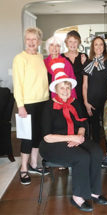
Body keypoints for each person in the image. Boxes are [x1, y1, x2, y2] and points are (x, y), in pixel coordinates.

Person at [39, 58, 107, 212]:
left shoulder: (75, 102)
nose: (65, 91)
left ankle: (94, 191)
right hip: (52, 144)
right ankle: (78, 196)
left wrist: (80, 136)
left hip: (75, 137)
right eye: (62, 87)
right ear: (56, 89)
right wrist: (72, 138)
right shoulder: (49, 106)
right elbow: (47, 137)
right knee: (81, 157)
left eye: (68, 87)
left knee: (96, 151)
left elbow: (82, 123)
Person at [12, 27, 49, 185]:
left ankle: (34, 164)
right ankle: (24, 169)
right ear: (25, 40)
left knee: (38, 135)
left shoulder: (40, 57)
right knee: (27, 137)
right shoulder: (20, 59)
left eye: (34, 39)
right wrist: (20, 106)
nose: (31, 42)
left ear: (39, 41)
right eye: (29, 39)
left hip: (43, 101)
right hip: (27, 103)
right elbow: (17, 84)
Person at [82, 36, 107, 167]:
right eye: (96, 45)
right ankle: (96, 154)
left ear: (104, 47)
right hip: (91, 102)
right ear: (92, 47)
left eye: (101, 44)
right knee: (94, 129)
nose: (98, 47)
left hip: (106, 102)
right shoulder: (87, 63)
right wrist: (86, 102)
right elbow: (84, 85)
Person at [61, 30, 87, 107]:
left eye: (75, 41)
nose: (73, 44)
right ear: (66, 43)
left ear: (79, 43)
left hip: (82, 93)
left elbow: (89, 76)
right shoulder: (61, 57)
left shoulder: (83, 56)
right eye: (70, 41)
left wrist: (85, 64)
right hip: (66, 93)